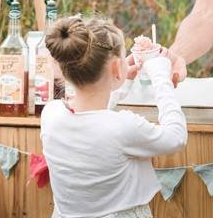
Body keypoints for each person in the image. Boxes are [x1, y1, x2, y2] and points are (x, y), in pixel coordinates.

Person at [41, 16, 187, 218]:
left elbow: (93, 121)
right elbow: (175, 137)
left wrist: (120, 80)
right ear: (117, 67)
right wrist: (162, 78)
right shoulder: (124, 126)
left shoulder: (51, 114)